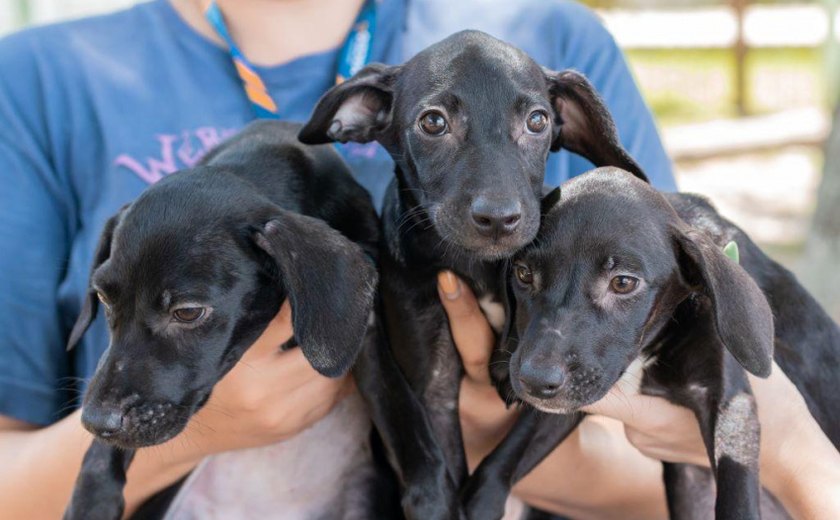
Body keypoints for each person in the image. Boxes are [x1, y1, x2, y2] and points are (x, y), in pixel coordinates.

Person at [0, 0, 836, 518]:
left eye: (531, 130)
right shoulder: (39, 82)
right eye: (435, 125)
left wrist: (488, 448)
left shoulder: (550, 33)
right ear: (366, 117)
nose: (502, 199)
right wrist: (204, 428)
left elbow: (681, 395)